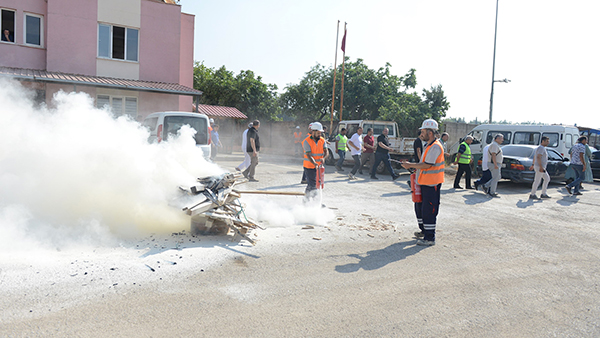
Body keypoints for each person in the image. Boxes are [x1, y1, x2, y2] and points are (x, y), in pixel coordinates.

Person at [401, 119, 445, 246]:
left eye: (423, 131)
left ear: (430, 133)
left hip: (432, 184)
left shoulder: (435, 146)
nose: (421, 133)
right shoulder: (429, 145)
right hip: (426, 182)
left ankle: (430, 238)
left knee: (429, 210)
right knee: (421, 208)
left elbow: (426, 165)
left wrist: (410, 165)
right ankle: (425, 232)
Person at [303, 122, 328, 199]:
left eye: (320, 133)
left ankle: (306, 200)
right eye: (318, 133)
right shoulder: (306, 141)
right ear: (313, 132)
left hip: (319, 167)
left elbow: (326, 151)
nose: (319, 134)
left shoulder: (322, 140)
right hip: (309, 166)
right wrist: (314, 163)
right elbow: (309, 155)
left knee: (313, 184)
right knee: (313, 185)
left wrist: (324, 158)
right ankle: (316, 202)